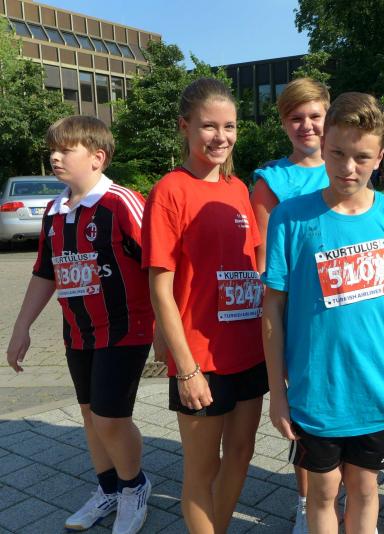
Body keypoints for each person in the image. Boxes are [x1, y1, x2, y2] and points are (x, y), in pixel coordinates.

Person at [262, 92, 384, 534]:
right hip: (316, 394)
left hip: (378, 392)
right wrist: (277, 393)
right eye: (337, 153)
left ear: (380, 157)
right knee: (322, 493)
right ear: (323, 144)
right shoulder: (290, 218)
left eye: (362, 157)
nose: (348, 167)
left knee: (366, 490)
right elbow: (272, 306)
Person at [6, 115, 153, 534]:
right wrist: (21, 327)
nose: (55, 157)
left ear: (97, 157)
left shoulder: (122, 203)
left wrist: (168, 328)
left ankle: (134, 487)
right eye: (52, 149)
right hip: (78, 333)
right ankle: (108, 489)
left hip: (126, 329)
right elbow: (45, 272)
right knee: (90, 416)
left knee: (110, 418)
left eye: (65, 149)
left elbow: (158, 265)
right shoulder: (54, 211)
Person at [142, 78, 266, 534]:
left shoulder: (238, 189)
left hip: (247, 350)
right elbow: (161, 288)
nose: (221, 136)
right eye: (209, 126)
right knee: (201, 469)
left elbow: (254, 266)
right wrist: (186, 368)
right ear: (185, 126)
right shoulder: (170, 191)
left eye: (229, 126)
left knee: (241, 454)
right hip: (201, 359)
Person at [249, 76, 330, 534]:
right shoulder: (272, 181)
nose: (307, 125)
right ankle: (305, 501)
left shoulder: (347, 166)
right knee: (303, 411)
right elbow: (264, 260)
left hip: (346, 309)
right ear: (283, 123)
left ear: (328, 116)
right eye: (296, 118)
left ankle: (339, 496)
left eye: (315, 115)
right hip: (299, 315)